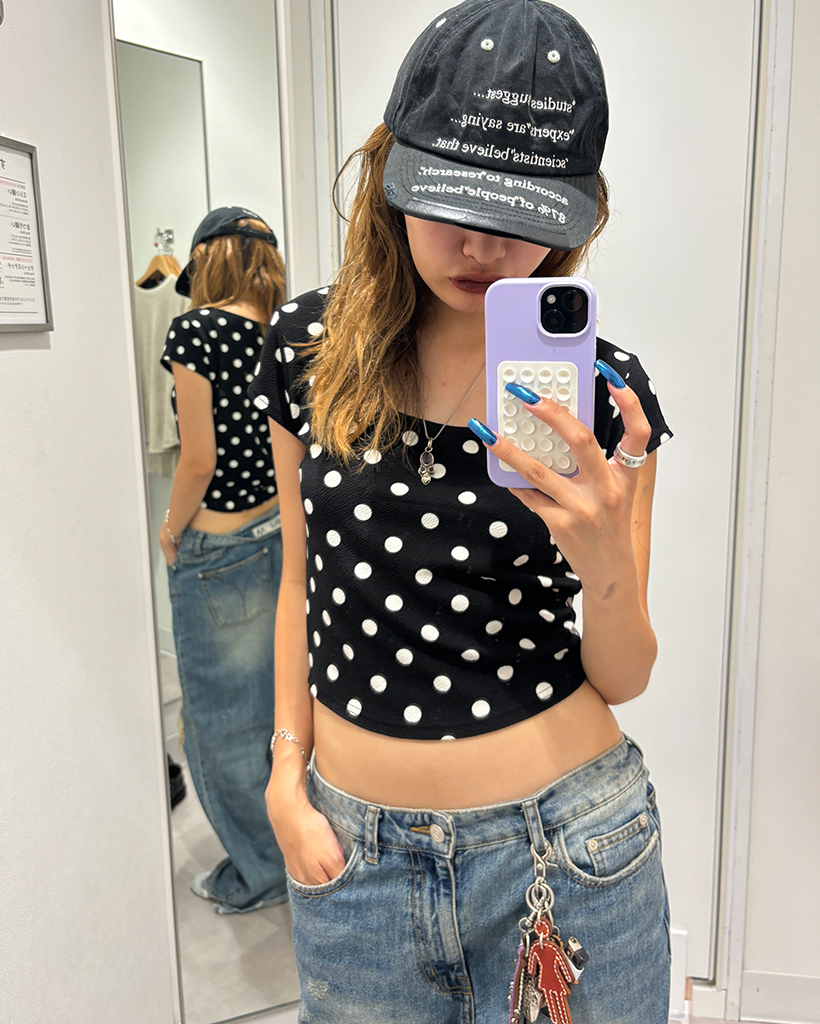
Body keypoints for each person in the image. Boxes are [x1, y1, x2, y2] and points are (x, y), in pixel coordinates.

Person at [250, 1, 673, 1019]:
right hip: (352, 858)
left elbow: (623, 675)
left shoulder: (603, 395)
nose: (483, 244)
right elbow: (300, 581)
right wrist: (285, 773)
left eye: (523, 214)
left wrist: (605, 564)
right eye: (452, 200)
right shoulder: (306, 350)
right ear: (390, 174)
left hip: (570, 849)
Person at [159, 207, 289, 914]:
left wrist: (170, 529)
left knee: (221, 725)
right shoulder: (282, 329)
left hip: (219, 550)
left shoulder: (196, 331)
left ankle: (261, 872)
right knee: (274, 710)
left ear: (209, 260)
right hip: (277, 533)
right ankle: (285, 850)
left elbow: (198, 459)